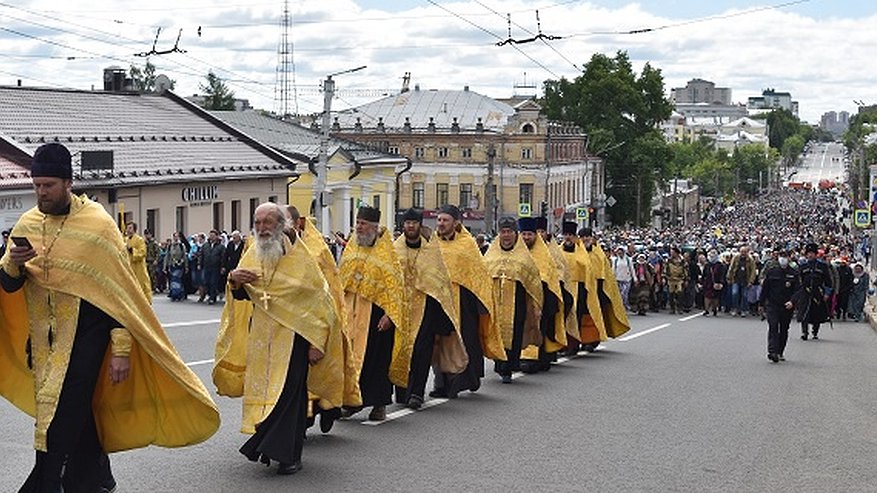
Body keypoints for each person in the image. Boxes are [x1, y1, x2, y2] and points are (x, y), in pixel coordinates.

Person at [0, 143, 219, 493]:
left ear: (68, 183)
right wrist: (14, 261)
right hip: (43, 344)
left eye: (48, 185)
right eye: (36, 185)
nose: (41, 192)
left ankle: (44, 486)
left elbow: (120, 295)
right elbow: (9, 285)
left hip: (87, 340)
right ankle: (97, 478)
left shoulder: (98, 225)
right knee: (76, 416)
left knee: (57, 420)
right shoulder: (28, 223)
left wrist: (120, 349)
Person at [214, 202, 337, 475]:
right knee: (267, 392)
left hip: (294, 338)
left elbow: (320, 303)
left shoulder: (301, 259)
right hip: (262, 337)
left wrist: (317, 342)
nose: (261, 229)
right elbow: (243, 292)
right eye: (257, 223)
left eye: (267, 222)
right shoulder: (253, 252)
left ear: (281, 225)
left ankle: (288, 454)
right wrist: (235, 280)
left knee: (290, 394)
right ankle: (273, 446)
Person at [285, 205, 361, 433]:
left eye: (286, 220)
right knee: (299, 377)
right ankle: (302, 421)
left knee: (322, 370)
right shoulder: (279, 247)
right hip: (288, 319)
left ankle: (329, 410)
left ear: (298, 223)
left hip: (318, 318)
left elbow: (330, 289)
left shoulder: (317, 249)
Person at [338, 206, 410, 421]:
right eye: (357, 223)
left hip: (376, 315)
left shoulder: (387, 252)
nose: (359, 227)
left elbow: (396, 288)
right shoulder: (352, 246)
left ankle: (379, 404)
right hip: (351, 313)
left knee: (376, 361)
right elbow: (341, 278)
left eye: (363, 224)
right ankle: (351, 401)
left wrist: (390, 315)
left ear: (374, 227)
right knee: (350, 360)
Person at [394, 208, 466, 408]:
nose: (410, 226)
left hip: (424, 307)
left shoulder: (430, 249)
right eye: (407, 223)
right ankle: (402, 390)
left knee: (421, 350)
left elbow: (439, 279)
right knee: (400, 349)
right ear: (403, 225)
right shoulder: (395, 249)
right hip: (400, 307)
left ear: (419, 225)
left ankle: (417, 392)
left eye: (414, 223)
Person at [433, 204, 505, 397]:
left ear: (456, 223)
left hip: (463, 302)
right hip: (439, 300)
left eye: (445, 220)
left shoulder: (467, 244)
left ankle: (461, 382)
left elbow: (477, 274)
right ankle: (441, 382)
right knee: (441, 341)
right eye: (439, 220)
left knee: (465, 340)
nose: (441, 224)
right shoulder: (432, 243)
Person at [483, 216, 543, 383]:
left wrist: (535, 305)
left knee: (514, 335)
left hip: (517, 303)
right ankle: (499, 362)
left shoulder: (524, 257)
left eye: (510, 232)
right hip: (495, 303)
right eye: (503, 232)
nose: (506, 235)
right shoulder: (490, 255)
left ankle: (508, 367)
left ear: (515, 234)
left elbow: (533, 281)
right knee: (496, 333)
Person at [518, 217, 566, 373]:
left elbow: (550, 274)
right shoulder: (516, 251)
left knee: (539, 327)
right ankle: (522, 357)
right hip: (519, 297)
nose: (526, 238)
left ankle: (539, 358)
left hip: (541, 297)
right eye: (523, 234)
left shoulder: (544, 254)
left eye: (529, 234)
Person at [758, 250, 799, 362]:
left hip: (787, 306)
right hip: (773, 304)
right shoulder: (772, 272)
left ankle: (780, 351)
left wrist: (792, 301)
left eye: (785, 256)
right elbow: (765, 289)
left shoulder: (794, 273)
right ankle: (772, 352)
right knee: (773, 326)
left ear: (789, 258)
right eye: (781, 256)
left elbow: (797, 290)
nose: (783, 259)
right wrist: (761, 303)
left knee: (784, 329)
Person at [795, 243, 832, 340]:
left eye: (812, 253)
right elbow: (798, 280)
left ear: (816, 254)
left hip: (818, 292)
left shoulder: (822, 266)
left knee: (816, 313)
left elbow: (828, 281)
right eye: (808, 253)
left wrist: (827, 293)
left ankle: (815, 331)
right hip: (805, 292)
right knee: (804, 313)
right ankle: (804, 332)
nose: (810, 255)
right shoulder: (803, 266)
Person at [125, 222, 152, 303]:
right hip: (129, 266)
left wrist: (132, 250)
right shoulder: (125, 240)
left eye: (130, 228)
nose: (128, 230)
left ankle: (144, 303)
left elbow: (143, 252)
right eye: (127, 228)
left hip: (138, 267)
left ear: (134, 230)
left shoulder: (139, 240)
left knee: (141, 285)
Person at [727, 246, 757, 317]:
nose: (743, 253)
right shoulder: (736, 258)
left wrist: (751, 281)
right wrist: (729, 277)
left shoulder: (750, 259)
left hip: (745, 280)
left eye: (745, 252)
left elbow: (753, 271)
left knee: (744, 295)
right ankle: (735, 308)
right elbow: (731, 268)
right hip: (736, 279)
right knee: (735, 293)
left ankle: (743, 310)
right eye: (742, 251)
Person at [200, 230, 225, 305]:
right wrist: (200, 264)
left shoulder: (221, 247)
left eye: (213, 235)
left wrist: (223, 267)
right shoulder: (205, 245)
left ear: (217, 236)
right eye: (210, 235)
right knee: (206, 282)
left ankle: (212, 297)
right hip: (206, 266)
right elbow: (202, 255)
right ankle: (211, 294)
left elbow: (223, 257)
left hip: (215, 267)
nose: (211, 237)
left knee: (213, 282)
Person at [164, 232, 189, 301]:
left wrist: (186, 266)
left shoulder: (181, 245)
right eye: (174, 237)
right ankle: (173, 294)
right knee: (173, 280)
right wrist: (165, 267)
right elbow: (167, 256)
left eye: (177, 237)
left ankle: (179, 294)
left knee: (178, 280)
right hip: (172, 265)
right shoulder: (170, 246)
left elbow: (184, 256)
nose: (176, 238)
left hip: (179, 265)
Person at [701, 249, 726, 316]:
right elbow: (704, 274)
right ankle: (706, 310)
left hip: (716, 282)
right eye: (711, 253)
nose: (712, 255)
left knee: (715, 297)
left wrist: (721, 283)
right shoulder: (707, 264)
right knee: (707, 296)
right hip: (708, 282)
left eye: (714, 253)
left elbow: (722, 275)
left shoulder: (720, 265)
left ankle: (715, 309)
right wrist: (702, 282)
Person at [665, 247, 688, 315]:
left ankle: (679, 308)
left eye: (673, 252)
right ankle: (672, 308)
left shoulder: (682, 261)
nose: (672, 254)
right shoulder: (668, 260)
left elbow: (686, 270)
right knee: (671, 294)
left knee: (680, 293)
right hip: (671, 279)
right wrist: (664, 277)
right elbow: (665, 269)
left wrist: (686, 279)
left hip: (679, 279)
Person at [612, 245, 634, 311]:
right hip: (618, 279)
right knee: (619, 295)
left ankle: (625, 305)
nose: (620, 254)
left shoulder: (628, 260)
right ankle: (621, 307)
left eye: (621, 252)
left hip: (627, 279)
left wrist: (634, 278)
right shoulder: (615, 260)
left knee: (624, 294)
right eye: (619, 253)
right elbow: (613, 269)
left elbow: (632, 269)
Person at [144, 229, 159, 294]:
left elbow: (158, 252)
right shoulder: (144, 242)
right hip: (146, 261)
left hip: (152, 261)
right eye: (146, 234)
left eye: (148, 234)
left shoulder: (154, 243)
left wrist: (156, 260)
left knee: (153, 275)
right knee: (146, 275)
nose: (147, 236)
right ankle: (148, 288)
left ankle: (154, 287)